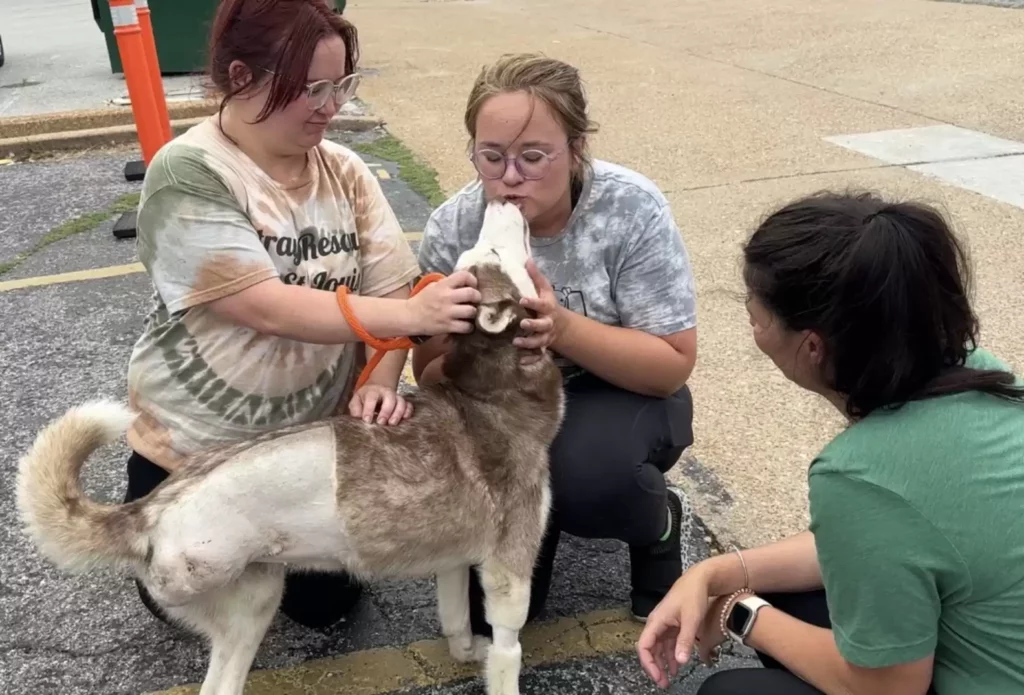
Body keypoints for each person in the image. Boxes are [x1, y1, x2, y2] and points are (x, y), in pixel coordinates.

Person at [122, 0, 482, 629]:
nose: (330, 105)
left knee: (327, 606)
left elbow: (394, 291)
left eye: (339, 85)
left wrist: (377, 378)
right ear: (241, 78)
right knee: (180, 596)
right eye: (310, 88)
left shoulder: (343, 170)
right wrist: (412, 314)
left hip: (307, 455)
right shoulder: (189, 172)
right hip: (195, 450)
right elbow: (262, 304)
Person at [637, 191, 1024, 695]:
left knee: (730, 692)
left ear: (812, 346)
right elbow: (886, 540)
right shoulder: (984, 375)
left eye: (756, 317)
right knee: (801, 603)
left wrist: (738, 611)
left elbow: (888, 688)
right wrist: (718, 574)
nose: (752, 325)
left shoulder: (859, 474)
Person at [413, 52, 699, 629]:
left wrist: (562, 328)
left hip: (619, 392)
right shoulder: (456, 227)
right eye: (490, 157)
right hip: (503, 406)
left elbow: (672, 364)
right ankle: (535, 524)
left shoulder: (628, 209)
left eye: (534, 157)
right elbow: (428, 374)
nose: (510, 177)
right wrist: (465, 336)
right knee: (490, 620)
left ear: (576, 148)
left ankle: (657, 521)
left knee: (587, 476)